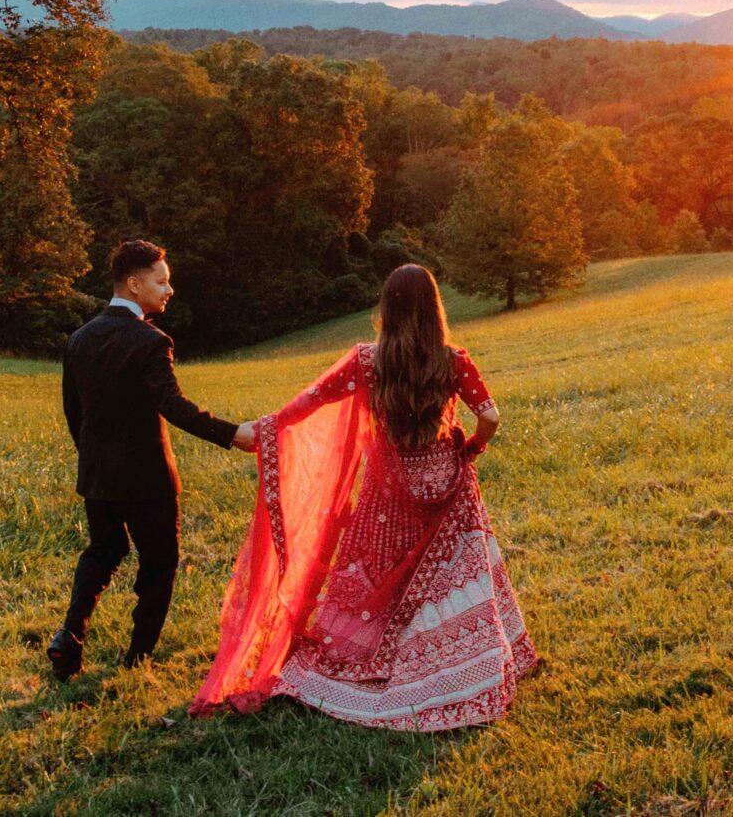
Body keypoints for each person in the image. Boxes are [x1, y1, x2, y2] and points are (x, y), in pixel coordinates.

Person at [191, 263, 538, 731]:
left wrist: (267, 429)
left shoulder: (366, 361)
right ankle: (462, 659)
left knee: (381, 571)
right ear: (435, 309)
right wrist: (472, 446)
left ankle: (378, 653)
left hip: (389, 487)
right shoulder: (453, 360)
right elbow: (490, 415)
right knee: (453, 570)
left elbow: (309, 402)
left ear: (386, 310)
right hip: (447, 483)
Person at [47, 239, 256, 680]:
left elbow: (74, 412)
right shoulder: (150, 341)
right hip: (148, 480)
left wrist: (93, 460)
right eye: (161, 281)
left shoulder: (80, 339)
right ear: (134, 283)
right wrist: (233, 434)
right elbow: (173, 405)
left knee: (103, 552)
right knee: (158, 564)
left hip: (98, 477)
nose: (169, 290)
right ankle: (136, 658)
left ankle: (70, 635)